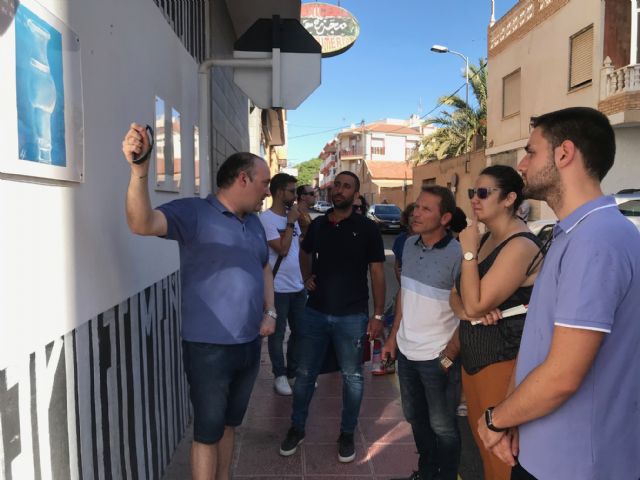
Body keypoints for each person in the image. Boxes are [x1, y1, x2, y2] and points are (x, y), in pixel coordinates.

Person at [476, 107, 640, 480]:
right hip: (543, 451)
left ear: (564, 154)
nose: (522, 162)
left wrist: (495, 419)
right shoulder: (572, 233)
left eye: (531, 151)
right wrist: (514, 412)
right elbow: (539, 336)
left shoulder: (597, 240)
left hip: (576, 463)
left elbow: (564, 374)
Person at [121, 123, 276, 480]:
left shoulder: (252, 224)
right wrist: (139, 171)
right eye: (264, 183)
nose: (267, 192)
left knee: (229, 425)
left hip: (250, 344)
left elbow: (264, 266)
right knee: (207, 432)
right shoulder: (194, 214)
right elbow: (141, 223)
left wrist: (270, 310)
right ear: (242, 179)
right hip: (209, 348)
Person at [279, 171, 386, 463]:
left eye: (346, 186)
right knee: (304, 375)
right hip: (314, 312)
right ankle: (297, 427)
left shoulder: (367, 229)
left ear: (356, 194)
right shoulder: (319, 226)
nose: (339, 190)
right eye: (336, 185)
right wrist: (306, 277)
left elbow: (377, 272)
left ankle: (347, 433)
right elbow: (304, 251)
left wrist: (378, 314)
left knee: (352, 377)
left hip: (352, 316)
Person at [449, 165, 542, 480]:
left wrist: (469, 253)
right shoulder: (486, 237)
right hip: (475, 363)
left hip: (503, 365)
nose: (475, 199)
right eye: (472, 192)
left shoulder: (520, 245)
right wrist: (467, 313)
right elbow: (456, 295)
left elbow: (473, 300)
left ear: (509, 199)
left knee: (502, 457)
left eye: (484, 192)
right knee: (484, 450)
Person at [382, 186, 462, 480]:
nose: (416, 213)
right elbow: (405, 292)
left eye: (426, 209)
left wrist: (449, 355)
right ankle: (427, 472)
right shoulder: (408, 244)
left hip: (437, 357)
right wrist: (392, 338)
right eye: (417, 206)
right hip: (406, 351)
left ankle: (446, 476)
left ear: (445, 218)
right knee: (415, 418)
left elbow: (468, 311)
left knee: (443, 427)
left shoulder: (459, 255)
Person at [260, 173, 306, 396]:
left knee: (300, 332)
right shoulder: (266, 220)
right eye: (291, 191)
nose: (294, 196)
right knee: (277, 336)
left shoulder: (294, 218)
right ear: (279, 192)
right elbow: (283, 249)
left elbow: (299, 248)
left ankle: (293, 372)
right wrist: (290, 222)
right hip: (277, 289)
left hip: (298, 287)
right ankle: (279, 375)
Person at [392, 202, 417, 282]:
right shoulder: (400, 239)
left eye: (416, 215)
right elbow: (397, 265)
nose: (414, 218)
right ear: (406, 218)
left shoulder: (428, 239)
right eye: (411, 215)